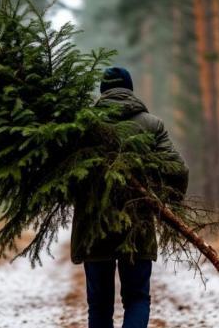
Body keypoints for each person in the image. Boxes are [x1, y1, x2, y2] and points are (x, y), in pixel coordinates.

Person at [71, 67, 189, 328]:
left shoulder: (83, 125)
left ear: (102, 91)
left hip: (93, 226)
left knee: (99, 305)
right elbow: (178, 169)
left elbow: (66, 175)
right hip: (138, 224)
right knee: (137, 299)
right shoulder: (151, 124)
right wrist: (172, 203)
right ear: (130, 90)